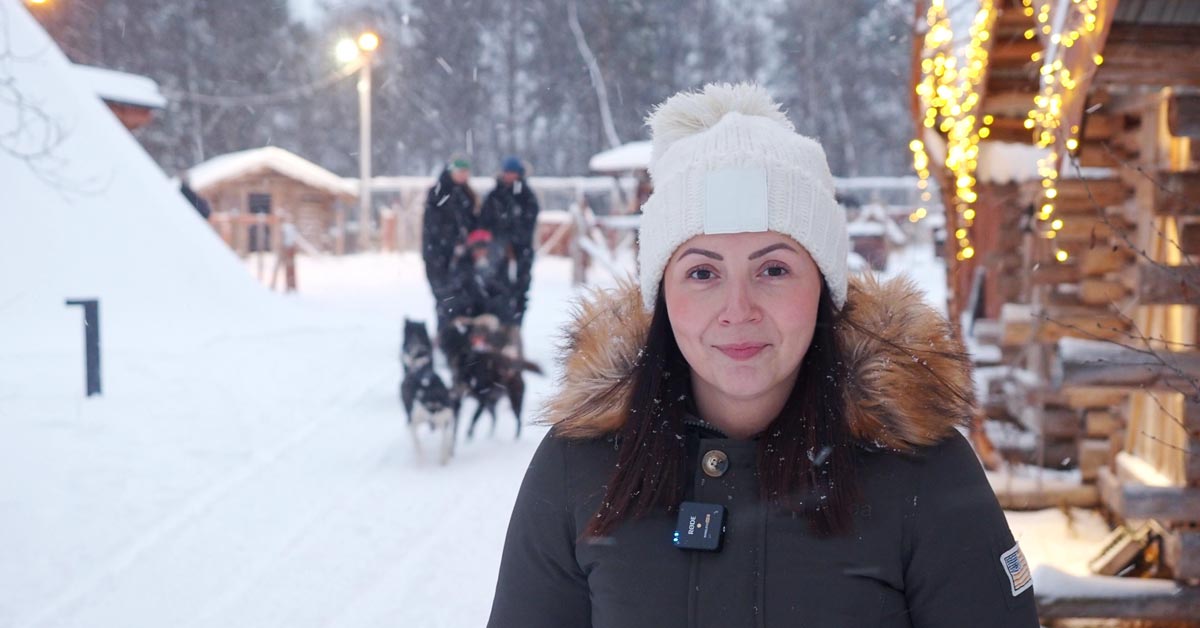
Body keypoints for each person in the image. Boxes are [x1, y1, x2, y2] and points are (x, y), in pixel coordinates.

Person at [487, 83, 1039, 627]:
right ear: (661, 296)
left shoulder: (922, 471)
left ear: (822, 286)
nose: (738, 309)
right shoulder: (579, 467)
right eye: (702, 273)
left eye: (773, 270)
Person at [478, 156, 540, 326]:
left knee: (520, 291)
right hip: (497, 252)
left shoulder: (527, 197)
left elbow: (528, 224)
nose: (509, 176)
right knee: (495, 289)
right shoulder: (494, 196)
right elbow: (484, 222)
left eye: (513, 173)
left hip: (521, 252)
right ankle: (498, 328)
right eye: (507, 172)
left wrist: (513, 242)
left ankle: (514, 329)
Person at [421, 155, 479, 330]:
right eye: (460, 171)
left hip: (460, 256)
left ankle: (456, 336)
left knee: (461, 298)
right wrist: (452, 243)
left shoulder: (467, 194)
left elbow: (470, 222)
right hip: (438, 255)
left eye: (465, 172)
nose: (463, 175)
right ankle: (445, 334)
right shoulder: (439, 192)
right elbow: (436, 226)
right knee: (445, 298)